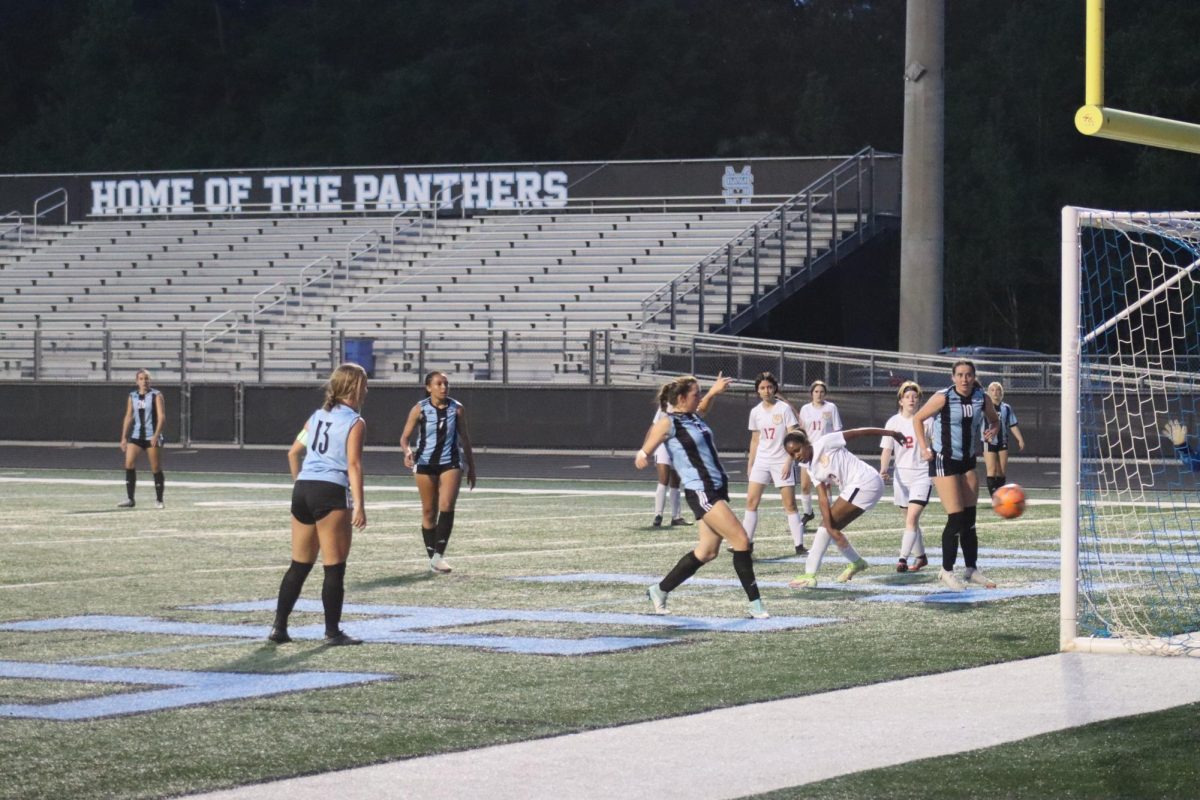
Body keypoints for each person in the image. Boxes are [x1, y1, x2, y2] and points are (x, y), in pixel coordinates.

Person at [634, 373, 769, 619]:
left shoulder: (692, 416)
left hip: (715, 488)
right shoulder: (668, 422)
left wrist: (714, 392)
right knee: (740, 540)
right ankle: (756, 605)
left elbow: (703, 406)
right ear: (682, 398)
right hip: (701, 489)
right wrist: (642, 456)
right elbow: (647, 447)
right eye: (696, 393)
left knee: (707, 551)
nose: (699, 397)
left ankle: (660, 589)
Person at [269, 363, 368, 646]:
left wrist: (301, 481)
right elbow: (353, 464)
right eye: (364, 383)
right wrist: (359, 505)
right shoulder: (355, 422)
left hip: (303, 488)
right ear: (354, 387)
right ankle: (332, 631)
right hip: (330, 489)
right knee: (334, 567)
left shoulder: (316, 416)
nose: (367, 389)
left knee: (299, 565)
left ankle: (279, 627)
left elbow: (294, 450)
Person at [911, 360, 1001, 591]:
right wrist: (924, 447)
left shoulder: (982, 397)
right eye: (960, 375)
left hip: (968, 461)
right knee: (956, 517)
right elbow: (918, 418)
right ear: (953, 377)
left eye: (968, 375)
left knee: (970, 521)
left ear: (973, 377)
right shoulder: (943, 397)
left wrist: (994, 429)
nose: (964, 379)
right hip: (944, 461)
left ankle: (971, 569)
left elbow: (994, 418)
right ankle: (946, 571)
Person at [782, 427, 904, 588]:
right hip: (859, 487)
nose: (796, 456)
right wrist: (831, 528)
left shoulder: (825, 442)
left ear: (806, 443)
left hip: (865, 481)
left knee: (827, 527)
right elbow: (823, 498)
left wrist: (891, 433)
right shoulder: (811, 468)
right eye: (791, 454)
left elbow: (860, 432)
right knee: (828, 527)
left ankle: (810, 575)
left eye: (797, 450)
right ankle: (856, 562)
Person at [401, 370, 477, 574]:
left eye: (446, 383)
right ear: (429, 388)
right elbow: (405, 438)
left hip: (450, 462)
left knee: (447, 505)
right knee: (429, 511)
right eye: (439, 384)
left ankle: (439, 556)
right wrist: (407, 451)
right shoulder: (420, 409)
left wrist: (471, 466)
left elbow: (466, 439)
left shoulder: (457, 409)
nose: (444, 387)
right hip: (425, 463)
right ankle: (433, 558)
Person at [743, 371, 807, 555]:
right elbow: (755, 439)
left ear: (775, 388)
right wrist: (751, 464)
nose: (766, 391)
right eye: (762, 388)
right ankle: (746, 543)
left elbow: (793, 436)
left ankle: (799, 546)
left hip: (781, 460)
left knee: (790, 504)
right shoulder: (755, 412)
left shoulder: (784, 409)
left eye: (769, 387)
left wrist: (789, 460)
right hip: (762, 461)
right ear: (757, 391)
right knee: (751, 502)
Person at [879, 381, 932, 572]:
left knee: (911, 519)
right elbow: (887, 449)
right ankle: (921, 557)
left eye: (915, 396)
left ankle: (902, 558)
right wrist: (883, 470)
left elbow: (936, 445)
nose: (911, 399)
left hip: (922, 474)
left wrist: (931, 452)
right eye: (907, 396)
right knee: (910, 521)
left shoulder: (927, 420)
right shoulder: (893, 422)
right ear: (900, 401)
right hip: (901, 476)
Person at [117, 368, 166, 509]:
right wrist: (124, 438)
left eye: (146, 379)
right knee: (129, 463)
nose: (144, 381)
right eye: (141, 379)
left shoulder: (156, 395)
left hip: (152, 436)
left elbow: (162, 416)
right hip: (136, 435)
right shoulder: (132, 396)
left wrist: (156, 435)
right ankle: (130, 498)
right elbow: (128, 416)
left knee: (155, 467)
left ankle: (159, 500)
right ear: (137, 381)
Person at [797, 380, 844, 526]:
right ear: (811, 393)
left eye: (822, 392)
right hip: (808, 452)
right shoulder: (805, 409)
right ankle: (808, 513)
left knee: (825, 486)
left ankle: (827, 515)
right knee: (805, 485)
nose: (819, 394)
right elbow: (802, 430)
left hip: (825, 453)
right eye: (816, 391)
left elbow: (837, 430)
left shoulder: (831, 408)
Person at [649, 391, 689, 527]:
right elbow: (654, 427)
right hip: (663, 446)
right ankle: (658, 515)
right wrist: (645, 448)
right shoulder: (665, 407)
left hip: (677, 447)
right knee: (663, 480)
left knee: (675, 482)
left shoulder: (685, 408)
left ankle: (676, 517)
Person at [982, 381, 1026, 495]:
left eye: (998, 390)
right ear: (988, 393)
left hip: (1003, 441)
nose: (995, 392)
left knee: (1001, 472)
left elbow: (1012, 425)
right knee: (991, 470)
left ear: (1002, 392)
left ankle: (1000, 495)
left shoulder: (1006, 408)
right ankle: (994, 498)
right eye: (992, 390)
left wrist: (1020, 439)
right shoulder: (984, 407)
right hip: (989, 442)